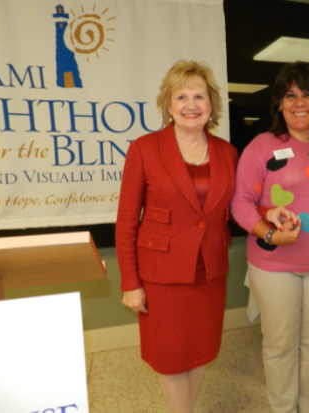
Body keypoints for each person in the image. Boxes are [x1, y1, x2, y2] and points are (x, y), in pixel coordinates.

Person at [115, 60, 238, 413]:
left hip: (209, 272)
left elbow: (244, 204)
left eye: (199, 96)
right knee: (169, 359)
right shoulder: (144, 149)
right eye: (181, 96)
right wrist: (130, 282)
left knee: (201, 352)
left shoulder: (227, 153)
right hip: (161, 276)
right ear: (168, 104)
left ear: (212, 104)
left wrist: (271, 215)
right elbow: (126, 223)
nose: (191, 105)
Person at [230, 61, 309, 413]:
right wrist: (267, 233)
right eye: (290, 94)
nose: (299, 102)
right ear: (279, 102)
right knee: (280, 345)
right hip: (274, 265)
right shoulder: (262, 146)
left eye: (308, 94)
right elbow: (240, 203)